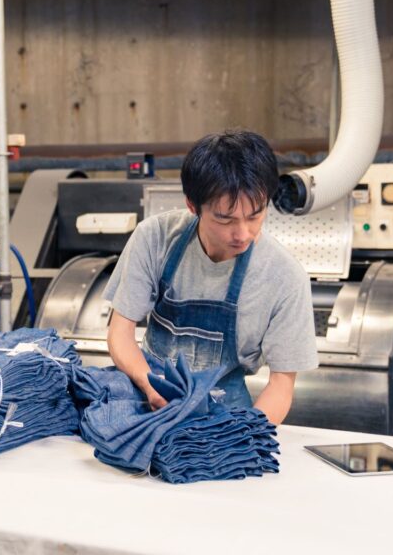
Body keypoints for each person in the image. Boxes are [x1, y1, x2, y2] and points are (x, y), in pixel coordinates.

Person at [103, 129, 318, 424]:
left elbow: (281, 386)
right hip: (148, 402)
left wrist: (238, 442)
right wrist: (150, 386)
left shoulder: (285, 277)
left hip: (227, 418)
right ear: (193, 205)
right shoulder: (155, 238)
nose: (243, 234)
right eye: (225, 219)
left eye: (255, 215)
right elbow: (120, 333)